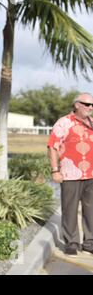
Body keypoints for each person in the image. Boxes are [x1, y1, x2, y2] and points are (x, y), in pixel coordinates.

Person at [47, 93, 93, 257]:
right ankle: (71, 242)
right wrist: (54, 170)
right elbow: (52, 146)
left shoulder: (92, 123)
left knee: (91, 210)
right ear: (77, 105)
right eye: (87, 104)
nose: (90, 108)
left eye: (92, 105)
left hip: (91, 174)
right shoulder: (64, 123)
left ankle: (89, 243)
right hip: (70, 174)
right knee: (70, 209)